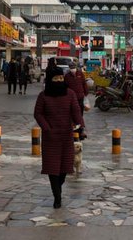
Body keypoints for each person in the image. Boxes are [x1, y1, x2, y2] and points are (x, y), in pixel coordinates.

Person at [33, 67, 85, 209]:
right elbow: (38, 114)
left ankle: (58, 188)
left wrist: (81, 126)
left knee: (64, 168)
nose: (59, 81)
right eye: (56, 78)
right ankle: (57, 197)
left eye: (61, 78)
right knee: (52, 168)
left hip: (66, 136)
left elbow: (76, 111)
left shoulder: (70, 94)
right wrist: (47, 128)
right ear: (50, 80)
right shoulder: (43, 96)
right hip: (50, 138)